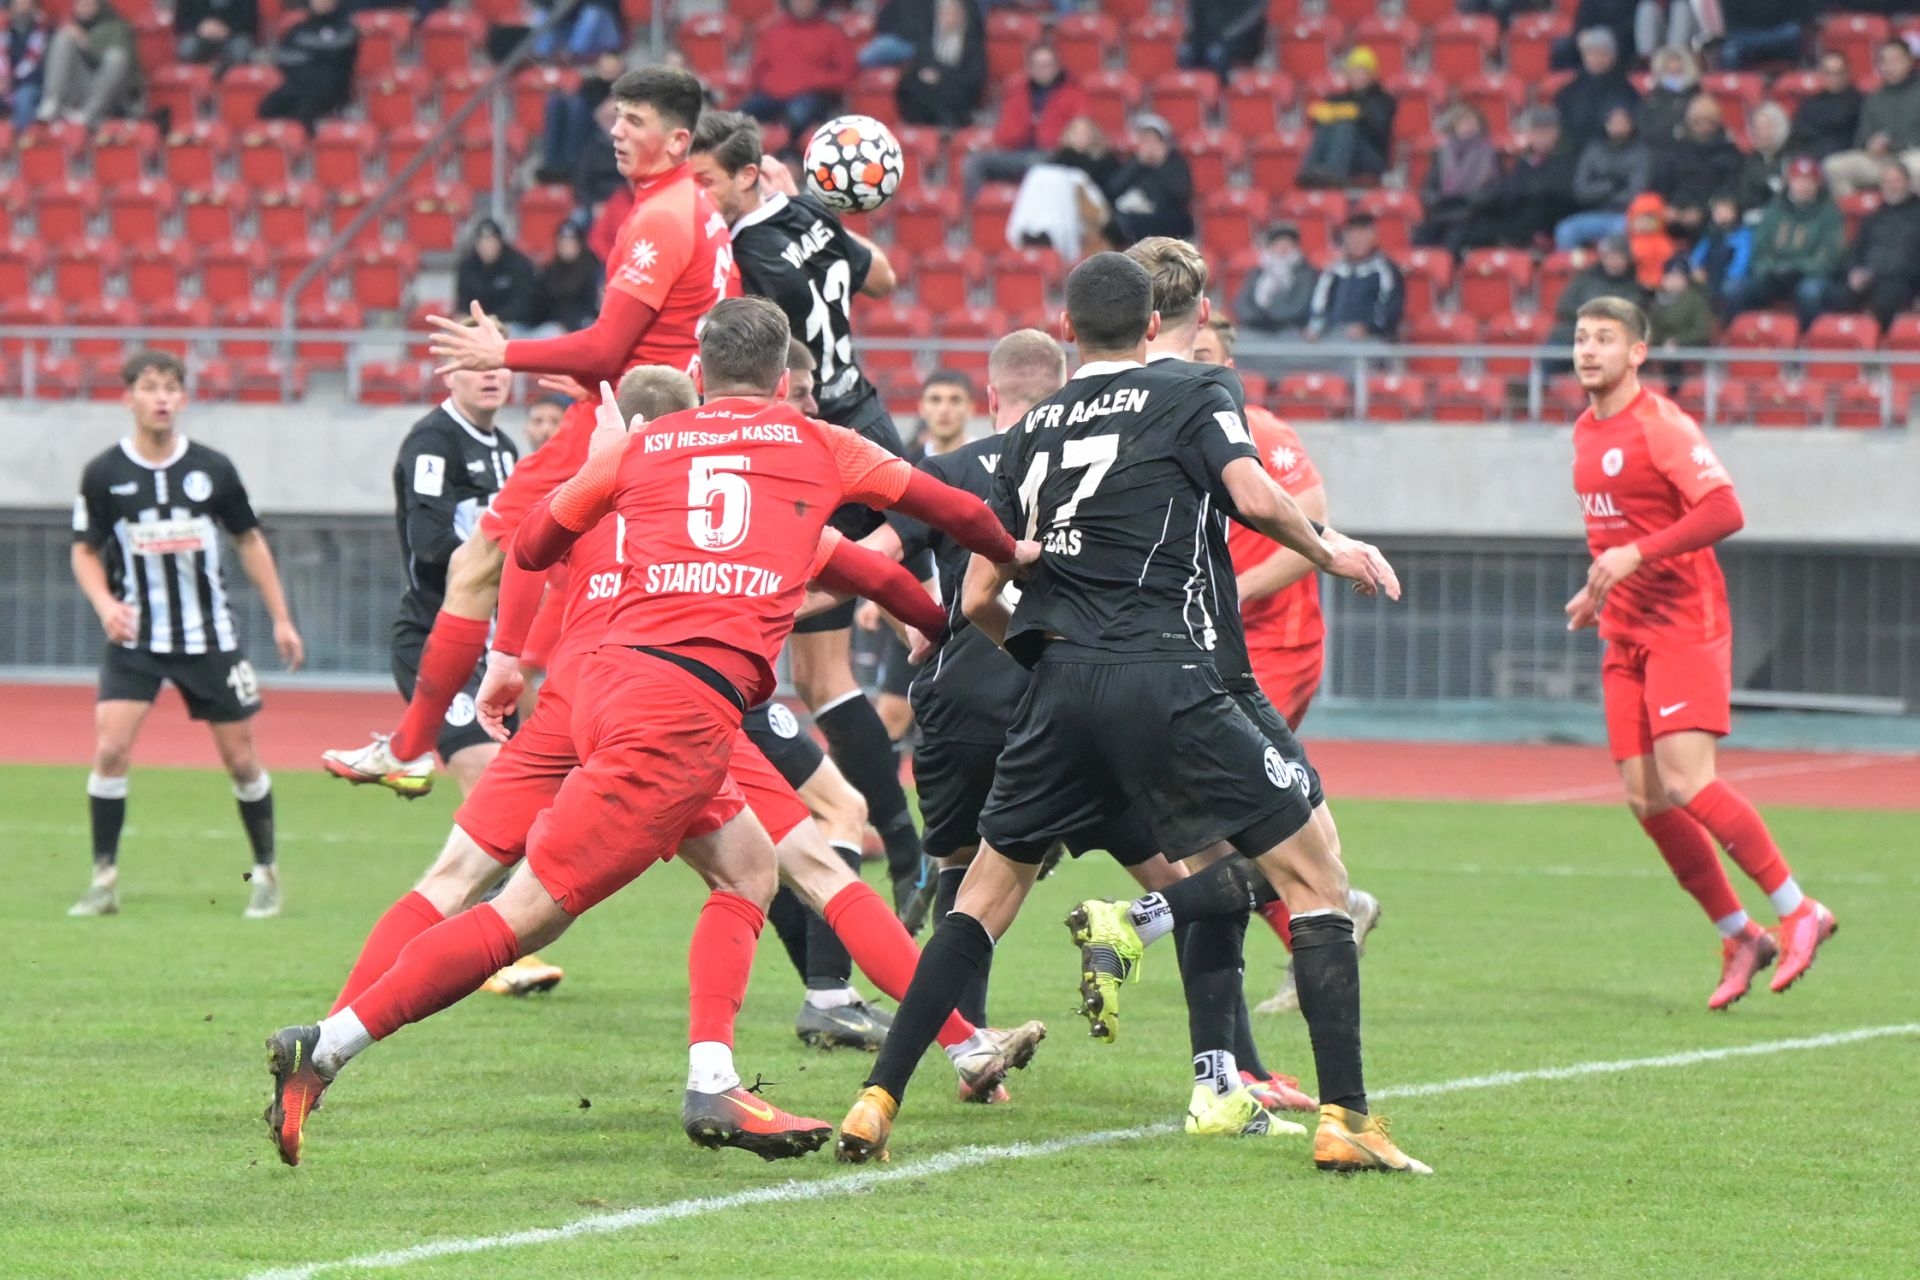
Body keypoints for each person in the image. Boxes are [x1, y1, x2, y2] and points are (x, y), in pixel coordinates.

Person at [265, 298, 1039, 1167]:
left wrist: (518, 640)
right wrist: (1002, 563)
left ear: (702, 375)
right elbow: (948, 514)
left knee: (748, 868)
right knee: (527, 917)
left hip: (602, 690)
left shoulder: (641, 449)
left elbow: (529, 546)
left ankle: (717, 1077)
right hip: (678, 709)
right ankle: (326, 1045)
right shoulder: (815, 446)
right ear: (782, 379)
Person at [833, 253, 1423, 1172]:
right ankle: (1346, 1122)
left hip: (1059, 687)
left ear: (1067, 332)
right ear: (1154, 327)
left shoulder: (1033, 428)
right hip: (1172, 677)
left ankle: (877, 1099)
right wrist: (1329, 548)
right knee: (1316, 878)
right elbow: (1251, 494)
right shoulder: (1195, 388)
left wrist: (1043, 657)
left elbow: (980, 595)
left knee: (980, 901)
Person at [325, 66, 737, 795]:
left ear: (677, 141)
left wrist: (505, 353)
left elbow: (607, 348)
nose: (616, 131)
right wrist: (609, 371)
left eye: (635, 121)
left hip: (618, 424)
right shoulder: (700, 211)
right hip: (667, 418)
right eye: (616, 117)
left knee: (479, 560)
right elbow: (671, 338)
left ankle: (421, 743)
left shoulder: (660, 219)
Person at [686, 112, 936, 925]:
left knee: (837, 669)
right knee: (854, 662)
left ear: (746, 175)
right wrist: (816, 213)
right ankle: (914, 843)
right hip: (868, 420)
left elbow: (743, 361)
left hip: (813, 443)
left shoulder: (746, 258)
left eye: (707, 181)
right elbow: (885, 279)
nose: (699, 196)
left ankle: (911, 835)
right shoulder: (808, 216)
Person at [1563, 296, 1835, 1011]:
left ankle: (1799, 908)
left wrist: (1635, 555)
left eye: (1605, 339)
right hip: (1625, 630)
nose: (1588, 350)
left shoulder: (1661, 425)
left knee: (1687, 781)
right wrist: (1598, 589)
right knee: (1646, 797)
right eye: (1581, 338)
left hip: (1685, 624)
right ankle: (1741, 933)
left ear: (1638, 353)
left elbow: (1724, 510)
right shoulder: (1585, 430)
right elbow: (1616, 532)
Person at [1182, 305, 1384, 1022]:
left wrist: (1232, 592)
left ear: (1227, 364)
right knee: (1211, 822)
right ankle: (1329, 917)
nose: (1191, 364)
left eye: (1204, 354)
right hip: (1211, 645)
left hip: (1277, 645)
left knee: (1223, 812)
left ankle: (1314, 925)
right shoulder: (1175, 426)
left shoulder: (1260, 431)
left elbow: (1316, 523)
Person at [68, 351, 304, 919]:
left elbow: (249, 540)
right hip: (136, 641)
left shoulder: (212, 469)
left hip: (210, 640)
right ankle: (103, 879)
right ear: (128, 397)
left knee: (241, 761)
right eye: (150, 387)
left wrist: (281, 617)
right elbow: (84, 550)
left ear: (184, 398)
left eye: (171, 387)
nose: (162, 397)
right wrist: (105, 604)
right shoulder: (104, 473)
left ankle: (266, 873)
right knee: (110, 750)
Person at [355, 316, 520, 799]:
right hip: (435, 634)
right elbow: (429, 544)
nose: (490, 375)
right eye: (475, 364)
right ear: (448, 372)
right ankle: (399, 754)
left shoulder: (506, 450)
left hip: (492, 649)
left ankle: (401, 757)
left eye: (497, 362)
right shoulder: (433, 441)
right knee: (487, 775)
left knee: (515, 791)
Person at [1725, 156, 1843, 327]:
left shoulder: (1830, 213)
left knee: (1810, 293)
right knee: (1733, 289)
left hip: (1809, 276)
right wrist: (1771, 269)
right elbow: (1760, 250)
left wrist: (1797, 268)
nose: (1803, 186)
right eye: (1798, 180)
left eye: (1808, 181)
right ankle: (1740, 335)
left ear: (1817, 184)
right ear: (1790, 182)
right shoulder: (1774, 210)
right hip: (1773, 275)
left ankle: (1808, 338)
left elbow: (1829, 257)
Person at [963, 43, 1088, 200]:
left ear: (1057, 66)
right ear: (1029, 68)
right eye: (1037, 65)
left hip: (1053, 155)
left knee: (1037, 164)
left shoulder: (1074, 93)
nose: (1042, 70)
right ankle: (978, 210)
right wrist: (1026, 126)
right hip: (1016, 153)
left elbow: (1079, 133)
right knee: (974, 163)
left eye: (1047, 65)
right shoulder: (1017, 92)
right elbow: (1003, 136)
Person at [1813, 160, 1920, 328]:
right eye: (1887, 182)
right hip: (1867, 277)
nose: (1891, 186)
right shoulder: (1873, 217)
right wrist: (1854, 272)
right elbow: (1855, 251)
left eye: (1896, 181)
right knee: (1835, 298)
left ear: (1908, 183)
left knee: (1885, 299)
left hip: (1903, 280)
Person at [739, 0, 854, 141]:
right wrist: (769, 84)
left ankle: (788, 150)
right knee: (738, 116)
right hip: (772, 95)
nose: (802, 4)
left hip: (810, 96)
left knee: (797, 116)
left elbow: (846, 74)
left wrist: (815, 80)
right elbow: (758, 68)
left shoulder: (833, 33)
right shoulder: (775, 31)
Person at [1469, 106, 1578, 249]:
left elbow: (1557, 190)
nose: (1536, 137)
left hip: (1550, 214)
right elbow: (1512, 187)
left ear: (1555, 132)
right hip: (1519, 210)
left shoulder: (1567, 157)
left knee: (1533, 207)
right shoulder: (1526, 159)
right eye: (1533, 132)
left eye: (1541, 132)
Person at [1823, 40, 1920, 197]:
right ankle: (1855, 211)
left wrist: (1895, 143)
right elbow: (1861, 138)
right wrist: (1870, 144)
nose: (1890, 66)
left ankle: (1911, 212)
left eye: (1896, 60)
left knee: (1917, 167)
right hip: (1881, 159)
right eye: (1884, 62)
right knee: (1834, 166)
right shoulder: (1874, 98)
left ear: (1909, 61)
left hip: (1912, 156)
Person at [1557, 104, 1652, 250]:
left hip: (1624, 215)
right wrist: (1610, 186)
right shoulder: (1593, 150)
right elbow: (1581, 191)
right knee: (1566, 230)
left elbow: (1635, 194)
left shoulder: (1641, 154)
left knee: (1619, 231)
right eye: (1614, 123)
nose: (1618, 128)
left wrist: (1600, 192)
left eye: (1622, 123)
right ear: (1606, 125)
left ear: (1631, 125)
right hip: (1594, 212)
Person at [256, 0, 358, 134]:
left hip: (331, 87)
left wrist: (309, 56)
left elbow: (337, 56)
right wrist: (313, 57)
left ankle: (303, 140)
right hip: (298, 83)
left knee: (304, 111)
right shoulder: (301, 28)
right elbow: (284, 56)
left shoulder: (345, 27)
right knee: (268, 107)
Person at [1300, 46, 1395, 187]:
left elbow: (1379, 130)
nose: (1357, 76)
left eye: (1362, 71)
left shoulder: (1382, 99)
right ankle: (1310, 170)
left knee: (1345, 126)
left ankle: (1333, 174)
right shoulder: (1340, 98)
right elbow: (1318, 116)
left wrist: (1356, 114)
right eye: (1353, 71)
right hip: (1345, 156)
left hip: (1371, 157)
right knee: (1325, 125)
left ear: (1372, 74)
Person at [1414, 104, 1501, 256]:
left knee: (1454, 239)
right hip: (1443, 209)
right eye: (1463, 122)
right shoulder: (1442, 153)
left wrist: (1466, 200)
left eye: (1471, 122)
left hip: (1472, 214)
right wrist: (1436, 200)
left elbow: (1494, 190)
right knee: (1420, 236)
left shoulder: (1490, 154)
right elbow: (1429, 186)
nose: (1467, 126)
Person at [1652, 94, 1746, 233]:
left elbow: (1729, 189)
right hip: (1673, 215)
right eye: (1697, 121)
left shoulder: (1729, 153)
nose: (1703, 126)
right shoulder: (1674, 150)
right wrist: (1668, 208)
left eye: (1709, 121)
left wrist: (1704, 211)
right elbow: (1661, 184)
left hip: (1710, 220)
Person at [34, 0, 136, 126]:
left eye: (88, 4)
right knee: (63, 38)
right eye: (80, 5)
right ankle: (52, 102)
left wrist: (86, 42)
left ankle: (87, 116)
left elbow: (124, 65)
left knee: (117, 58)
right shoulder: (71, 25)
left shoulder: (116, 27)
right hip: (79, 85)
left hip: (108, 91)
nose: (83, 9)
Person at [1305, 214, 1402, 341]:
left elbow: (1390, 308)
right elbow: (1320, 301)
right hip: (1332, 333)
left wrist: (1368, 327)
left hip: (1372, 338)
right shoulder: (1334, 269)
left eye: (1362, 235)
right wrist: (1316, 326)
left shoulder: (1385, 269)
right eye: (1352, 236)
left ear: (1373, 237)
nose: (1357, 241)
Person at [536, 50, 623, 185]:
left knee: (577, 106)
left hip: (602, 133)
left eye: (612, 65)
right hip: (588, 126)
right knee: (557, 102)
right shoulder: (590, 85)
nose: (608, 69)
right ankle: (552, 161)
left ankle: (571, 161)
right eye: (604, 65)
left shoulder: (625, 89)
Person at [1103, 113, 1194, 243]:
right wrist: (1138, 164)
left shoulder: (1175, 163)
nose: (1149, 145)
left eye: (1153, 140)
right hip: (1135, 217)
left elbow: (1180, 194)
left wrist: (1160, 165)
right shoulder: (1135, 163)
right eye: (1144, 140)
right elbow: (1113, 190)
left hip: (1168, 219)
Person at [894, 0, 984, 130]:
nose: (946, 18)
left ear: (961, 16)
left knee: (945, 91)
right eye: (943, 14)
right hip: (927, 92)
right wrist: (923, 74)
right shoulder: (928, 41)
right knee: (909, 83)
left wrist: (941, 76)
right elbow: (918, 65)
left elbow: (974, 79)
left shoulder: (971, 45)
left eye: (951, 13)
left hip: (955, 94)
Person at [1553, 27, 1639, 156]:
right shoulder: (1570, 90)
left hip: (1613, 153)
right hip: (1574, 152)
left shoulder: (1625, 90)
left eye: (1602, 53)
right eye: (1590, 53)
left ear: (1612, 56)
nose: (1596, 58)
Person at [1552, 235, 1647, 344]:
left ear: (1627, 258)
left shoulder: (1637, 281)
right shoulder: (1587, 277)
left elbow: (1638, 310)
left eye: (1617, 256)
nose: (1612, 260)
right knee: (1560, 335)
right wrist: (1590, 315)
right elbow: (1565, 306)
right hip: (1585, 326)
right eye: (1608, 256)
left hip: (1619, 331)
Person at [453, 220, 538, 331]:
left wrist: (494, 320)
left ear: (500, 242)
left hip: (512, 324)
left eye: (491, 242)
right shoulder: (467, 267)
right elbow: (463, 302)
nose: (487, 247)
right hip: (477, 324)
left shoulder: (518, 264)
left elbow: (523, 304)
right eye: (483, 242)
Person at [1235, 222, 1317, 336]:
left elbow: (1301, 306)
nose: (1283, 248)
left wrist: (1273, 315)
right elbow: (1242, 303)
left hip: (1290, 330)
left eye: (1288, 244)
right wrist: (1255, 318)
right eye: (1278, 243)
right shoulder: (1257, 272)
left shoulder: (1305, 273)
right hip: (1256, 328)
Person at [1646, 255, 1713, 387]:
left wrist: (1678, 341)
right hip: (1661, 350)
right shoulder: (1656, 301)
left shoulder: (1696, 300)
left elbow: (1701, 330)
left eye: (1678, 277)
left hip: (1688, 353)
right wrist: (1660, 341)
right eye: (1670, 276)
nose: (1673, 280)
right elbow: (1651, 327)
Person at [1788, 51, 1863, 164]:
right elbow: (1799, 133)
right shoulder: (1810, 102)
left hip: (1842, 159)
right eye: (1828, 73)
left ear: (1847, 73)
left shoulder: (1858, 101)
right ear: (1821, 74)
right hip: (1810, 157)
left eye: (1838, 73)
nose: (1834, 78)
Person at [529, 223, 602, 335]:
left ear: (579, 244)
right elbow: (539, 305)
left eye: (570, 243)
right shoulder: (550, 270)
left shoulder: (592, 269)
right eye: (563, 243)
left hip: (581, 327)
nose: (566, 247)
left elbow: (593, 307)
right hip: (551, 325)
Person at [1689, 192, 1753, 317]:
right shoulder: (1711, 234)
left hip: (1731, 279)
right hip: (1710, 277)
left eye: (1725, 210)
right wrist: (1696, 270)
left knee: (1731, 288)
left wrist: (1724, 277)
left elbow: (1741, 263)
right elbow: (1696, 257)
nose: (1720, 214)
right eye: (1717, 210)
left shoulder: (1743, 234)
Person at [1711, 0, 1809, 71]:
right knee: (1730, 51)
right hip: (1745, 36)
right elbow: (1731, 24)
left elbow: (1794, 14)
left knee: (1793, 32)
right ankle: (1728, 87)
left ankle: (1798, 75)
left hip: (1778, 31)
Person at [1179, 0, 1266, 79]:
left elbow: (1249, 18)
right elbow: (1193, 15)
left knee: (1215, 53)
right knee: (1185, 52)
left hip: (1238, 38)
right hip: (1205, 37)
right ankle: (1190, 88)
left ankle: (1221, 88)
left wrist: (1224, 35)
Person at [1636, 45, 1699, 152]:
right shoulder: (1652, 98)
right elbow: (1645, 128)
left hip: (1692, 151)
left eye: (1678, 63)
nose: (1674, 66)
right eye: (1669, 65)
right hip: (1659, 151)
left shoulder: (1698, 95)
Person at [3, 0, 50, 132]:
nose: (21, 9)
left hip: (32, 83)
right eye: (18, 5)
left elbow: (37, 67)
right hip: (5, 82)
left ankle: (20, 137)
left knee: (24, 97)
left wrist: (11, 80)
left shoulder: (45, 32)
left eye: (26, 4)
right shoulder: (4, 31)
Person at [1738, 101, 1793, 212]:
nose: (1759, 132)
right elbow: (1745, 197)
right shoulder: (1749, 161)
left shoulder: (1792, 158)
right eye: (1756, 127)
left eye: (1766, 127)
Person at [528, 0, 622, 64]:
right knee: (543, 14)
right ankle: (541, 55)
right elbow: (542, 4)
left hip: (602, 29)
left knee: (592, 14)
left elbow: (605, 4)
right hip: (570, 27)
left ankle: (573, 55)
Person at [173, 0, 254, 70]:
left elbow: (250, 20)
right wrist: (199, 27)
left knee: (240, 50)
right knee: (187, 49)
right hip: (199, 33)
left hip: (233, 35)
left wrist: (228, 29)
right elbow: (181, 19)